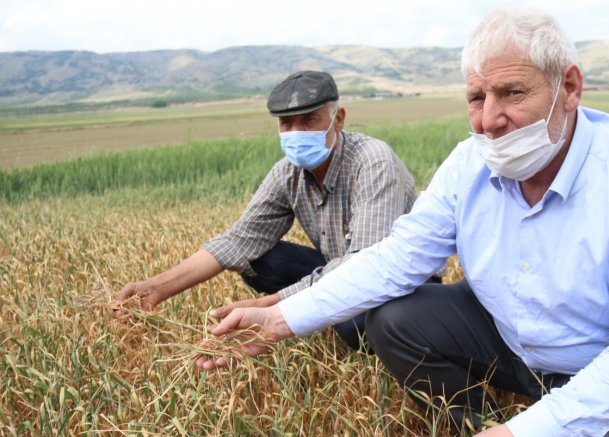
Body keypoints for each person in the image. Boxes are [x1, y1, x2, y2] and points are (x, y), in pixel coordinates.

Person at [196, 9, 609, 437]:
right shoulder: (469, 164)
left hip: (596, 357)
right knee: (392, 319)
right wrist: (283, 317)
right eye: (477, 98)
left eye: (512, 93)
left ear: (568, 88)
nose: (490, 120)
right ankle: (479, 432)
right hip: (507, 337)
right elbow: (398, 258)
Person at [116, 70, 417, 350]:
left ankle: (326, 318)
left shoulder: (373, 163)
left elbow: (364, 266)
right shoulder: (288, 173)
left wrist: (271, 307)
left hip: (398, 281)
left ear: (338, 119)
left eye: (309, 120)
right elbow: (237, 241)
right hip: (338, 266)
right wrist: (155, 289)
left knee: (356, 323)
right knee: (258, 257)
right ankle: (315, 312)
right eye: (287, 124)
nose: (296, 132)